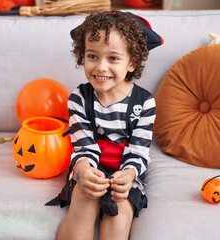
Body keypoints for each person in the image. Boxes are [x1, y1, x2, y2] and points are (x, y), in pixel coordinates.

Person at [56, 10, 163, 240]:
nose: (100, 67)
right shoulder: (79, 98)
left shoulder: (144, 102)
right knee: (83, 205)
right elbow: (83, 147)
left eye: (113, 58)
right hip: (89, 168)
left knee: (119, 216)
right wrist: (84, 171)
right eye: (92, 56)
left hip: (125, 171)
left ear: (132, 62)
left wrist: (128, 175)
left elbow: (139, 150)